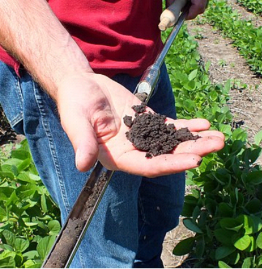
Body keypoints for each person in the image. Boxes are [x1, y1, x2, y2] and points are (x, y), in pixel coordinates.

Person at [0, 0, 224, 268]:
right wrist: (69, 75)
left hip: (144, 56)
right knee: (104, 252)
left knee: (159, 213)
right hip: (59, 69)